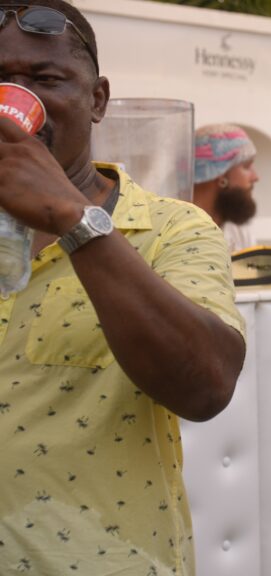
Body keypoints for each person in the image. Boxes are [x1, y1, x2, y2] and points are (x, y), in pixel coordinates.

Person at [0, 2, 246, 574]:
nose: (15, 99)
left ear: (98, 99)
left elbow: (207, 386)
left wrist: (71, 217)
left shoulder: (172, 228)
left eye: (44, 79)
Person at [192, 123, 260, 253]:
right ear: (220, 173)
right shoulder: (175, 230)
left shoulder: (239, 232)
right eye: (246, 166)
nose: (256, 177)